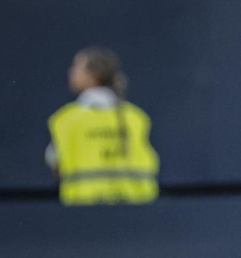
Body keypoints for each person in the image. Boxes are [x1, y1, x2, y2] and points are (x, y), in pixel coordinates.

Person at [47, 47, 159, 206]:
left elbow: (56, 165)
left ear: (93, 75)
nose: (71, 72)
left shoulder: (65, 120)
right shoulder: (137, 118)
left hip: (83, 213)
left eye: (76, 67)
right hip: (137, 215)